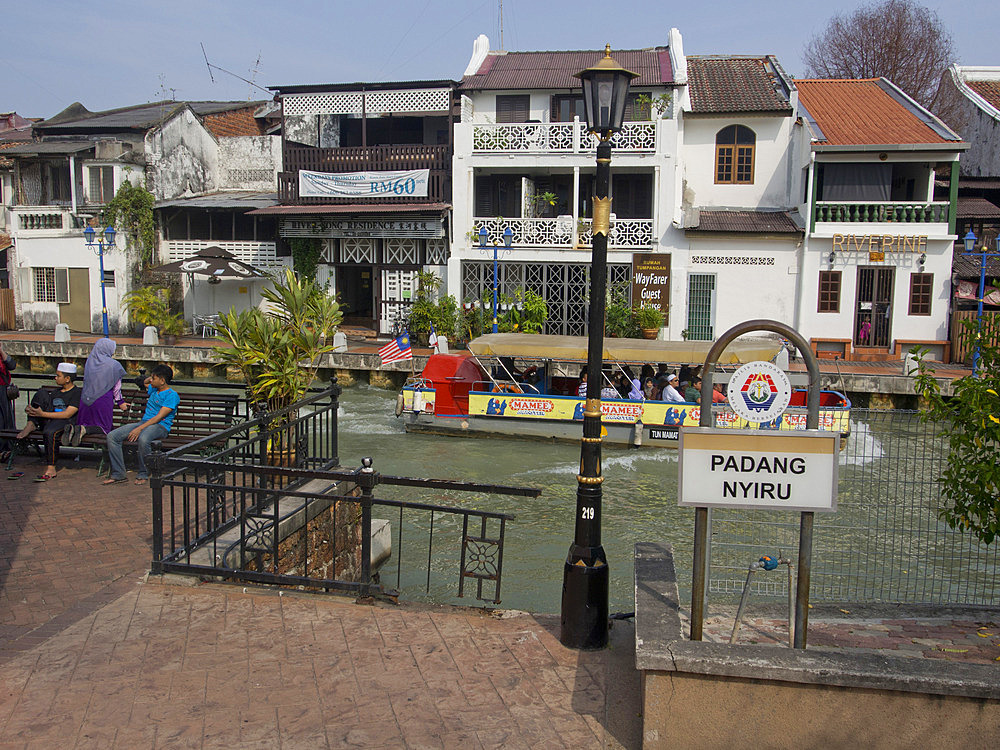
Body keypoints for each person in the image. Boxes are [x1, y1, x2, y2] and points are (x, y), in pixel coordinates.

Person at [103, 364, 179, 486]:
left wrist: (139, 429)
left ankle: (144, 472)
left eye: (154, 378)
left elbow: (159, 417)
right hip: (144, 423)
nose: (151, 380)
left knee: (144, 438)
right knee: (113, 437)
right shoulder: (154, 389)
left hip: (160, 426)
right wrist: (152, 377)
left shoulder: (172, 395)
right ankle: (119, 473)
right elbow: (145, 382)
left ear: (162, 380)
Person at [16, 362, 81, 481]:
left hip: (65, 422)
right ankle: (31, 423)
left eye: (58, 376)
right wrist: (32, 410)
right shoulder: (56, 392)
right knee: (41, 393)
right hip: (50, 418)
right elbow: (44, 408)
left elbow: (68, 413)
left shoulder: (77, 393)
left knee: (50, 432)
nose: (55, 378)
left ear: (67, 379)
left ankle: (51, 467)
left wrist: (41, 414)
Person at [63, 338, 129, 446]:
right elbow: (116, 387)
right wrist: (120, 402)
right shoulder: (114, 365)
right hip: (103, 401)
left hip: (85, 400)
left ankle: (75, 429)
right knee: (104, 427)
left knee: (86, 421)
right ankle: (84, 430)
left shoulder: (90, 362)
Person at [0, 343, 16, 462]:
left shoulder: (2, 357)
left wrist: (1, 351)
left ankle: (6, 448)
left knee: (5, 420)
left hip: (2, 392)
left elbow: (12, 365)